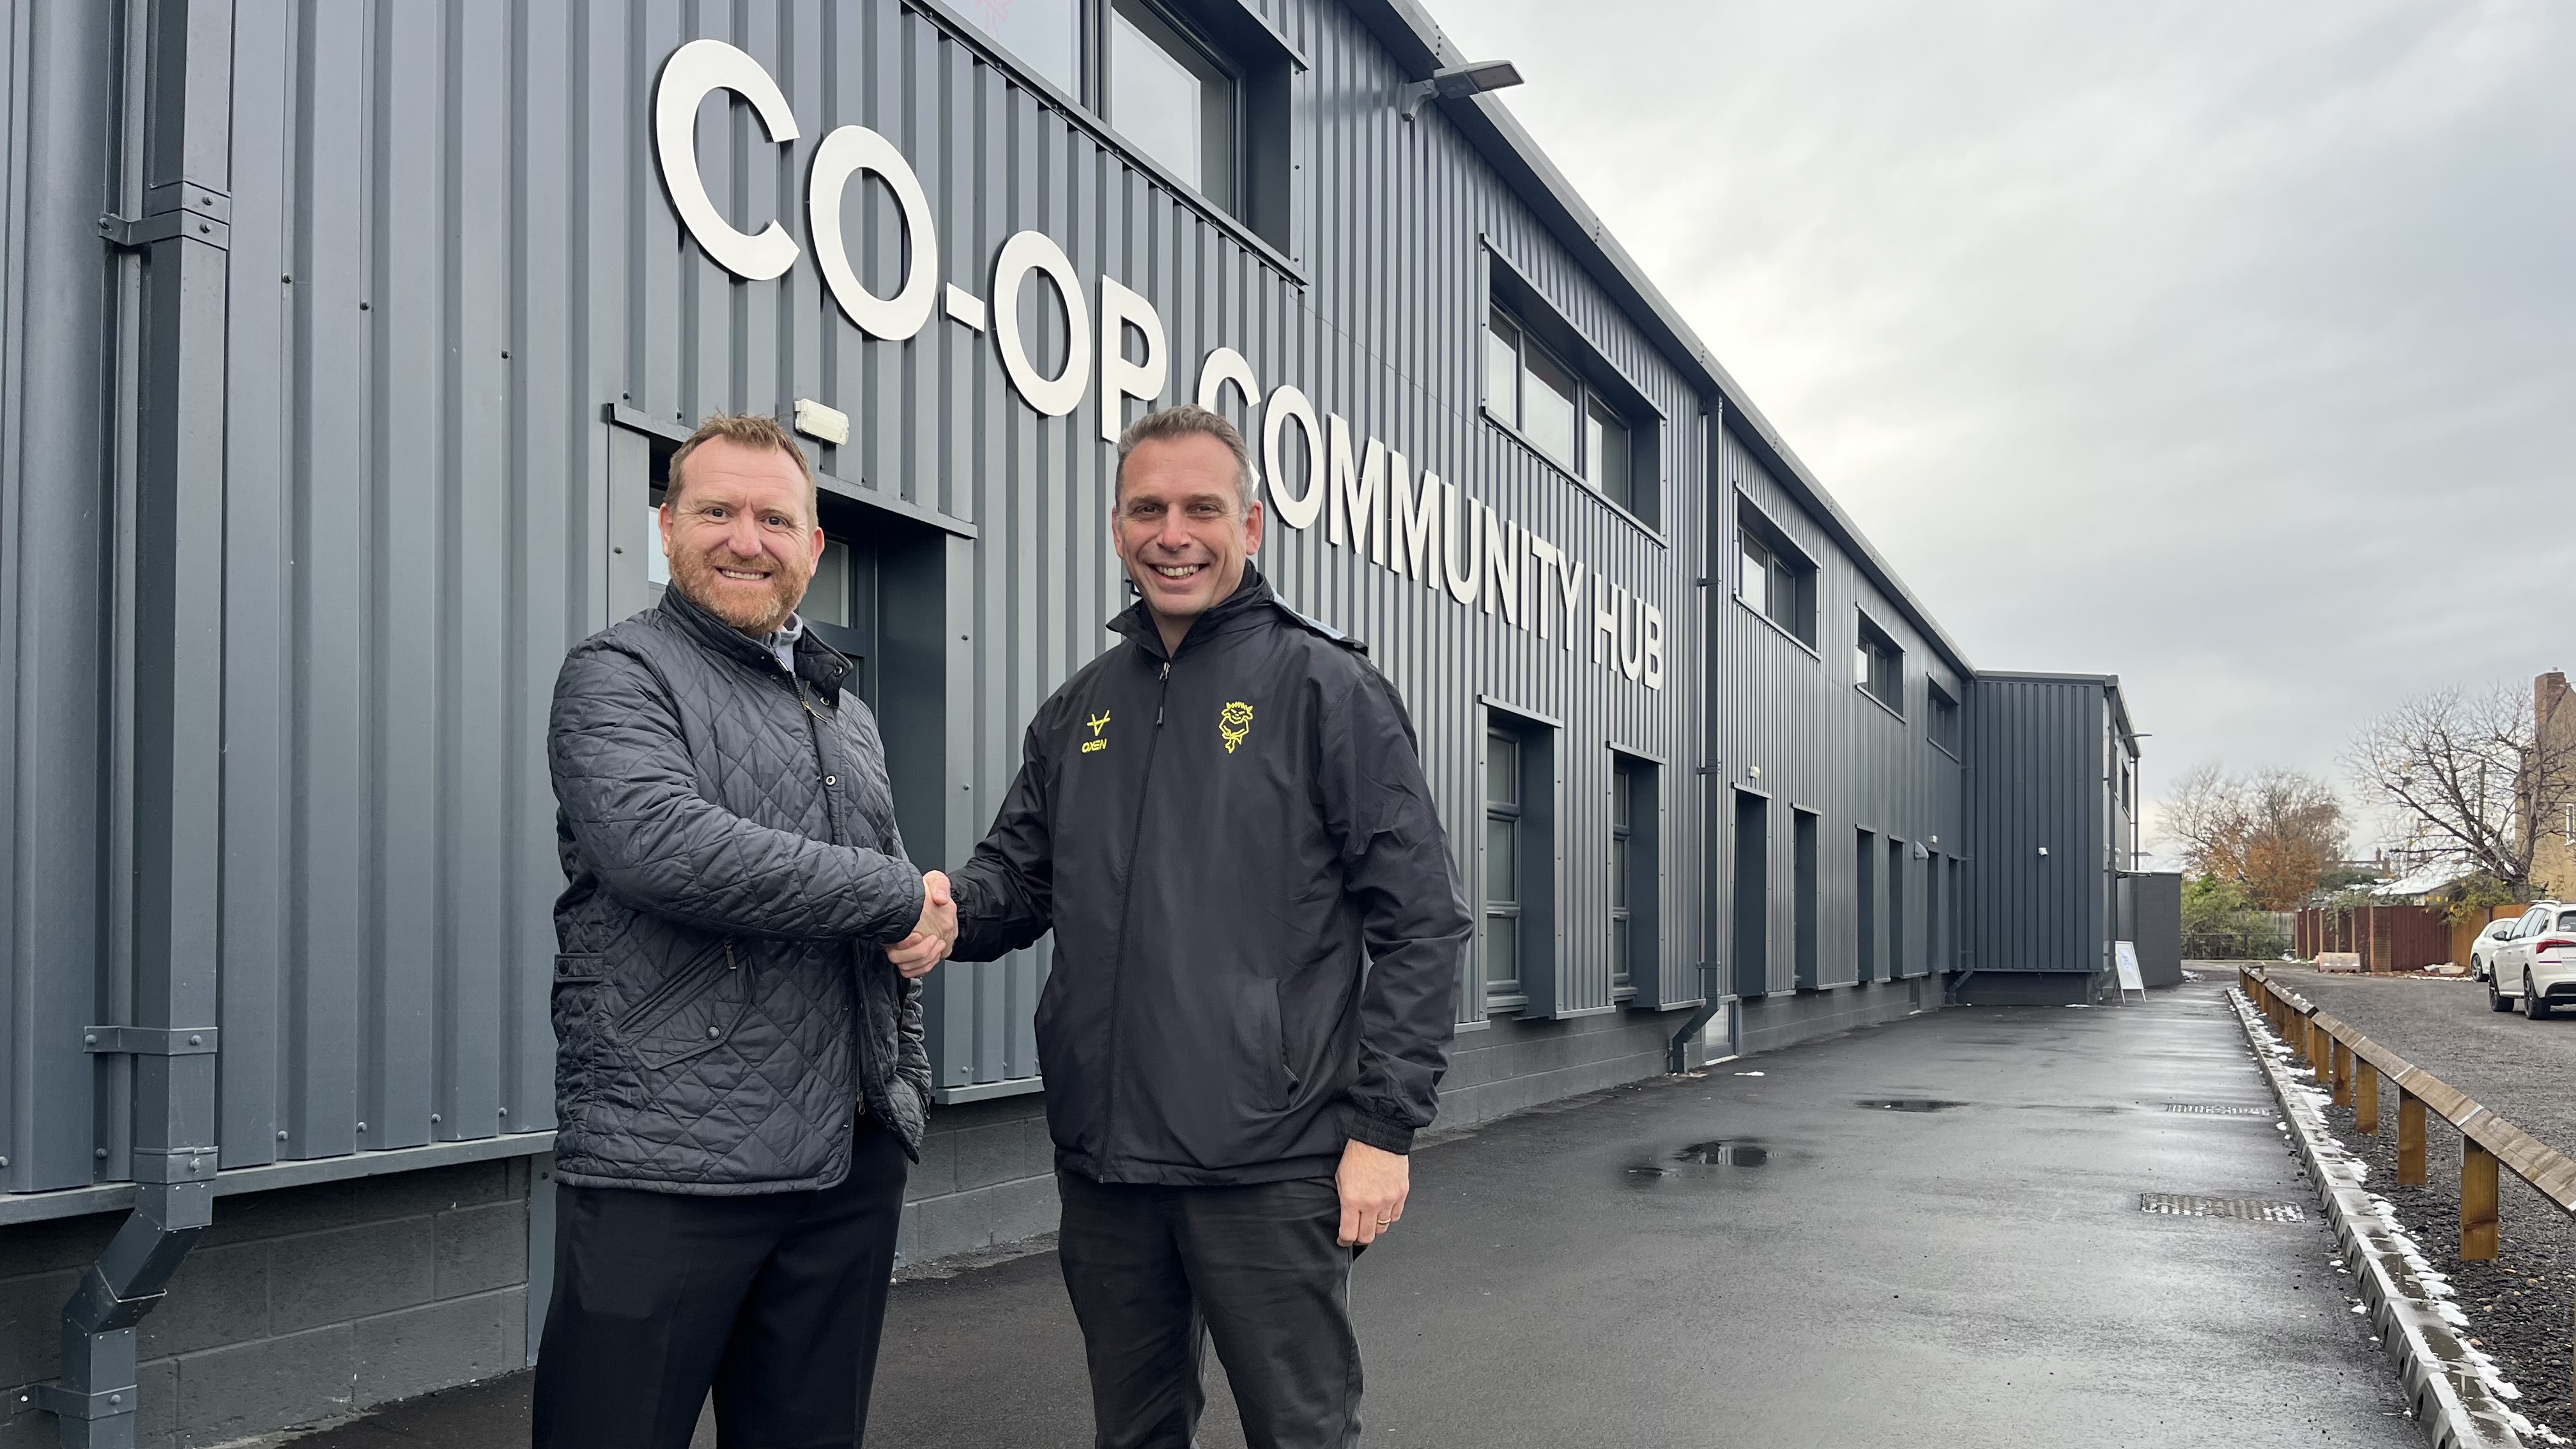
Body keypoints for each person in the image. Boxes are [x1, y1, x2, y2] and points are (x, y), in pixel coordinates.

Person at [941, 404, 1473, 1449]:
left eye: (1201, 507)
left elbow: (1423, 923)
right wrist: (929, 910)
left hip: (1270, 1163)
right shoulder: (1078, 708)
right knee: (1132, 1433)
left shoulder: (1328, 689)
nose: (1172, 532)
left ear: (1254, 526)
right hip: (1105, 1162)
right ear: (1116, 527)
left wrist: (1383, 1130)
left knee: (1300, 1431)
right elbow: (1016, 880)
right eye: (1148, 508)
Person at [535, 413, 958, 1449]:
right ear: (668, 525)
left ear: (814, 546)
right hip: (672, 1157)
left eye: (775, 518)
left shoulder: (842, 711)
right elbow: (661, 846)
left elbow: (889, 885)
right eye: (717, 510)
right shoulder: (618, 674)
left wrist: (909, 1026)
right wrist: (897, 897)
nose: (745, 538)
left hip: (846, 1154)